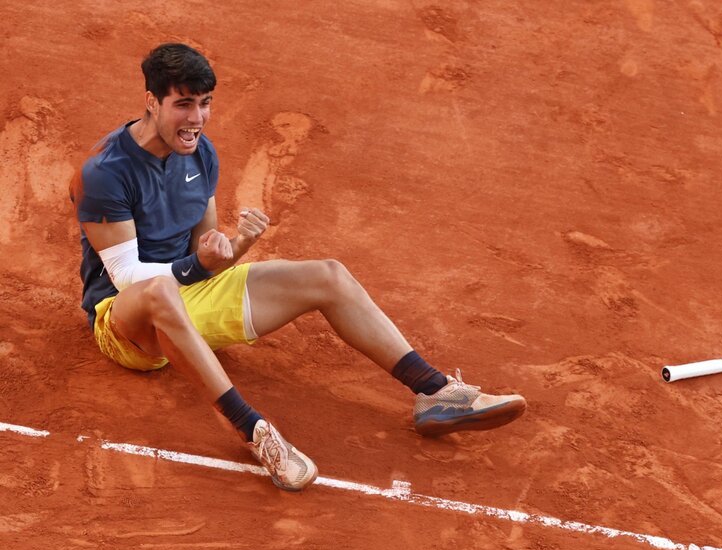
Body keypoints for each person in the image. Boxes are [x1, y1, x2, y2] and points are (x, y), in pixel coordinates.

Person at [70, 43, 526, 492]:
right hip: (126, 324)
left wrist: (237, 245)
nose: (197, 119)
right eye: (183, 105)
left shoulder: (200, 154)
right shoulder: (104, 173)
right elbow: (129, 277)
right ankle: (255, 433)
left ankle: (434, 392)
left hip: (184, 296)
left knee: (327, 274)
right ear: (151, 101)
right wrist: (197, 265)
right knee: (159, 293)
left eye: (205, 104)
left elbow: (207, 258)